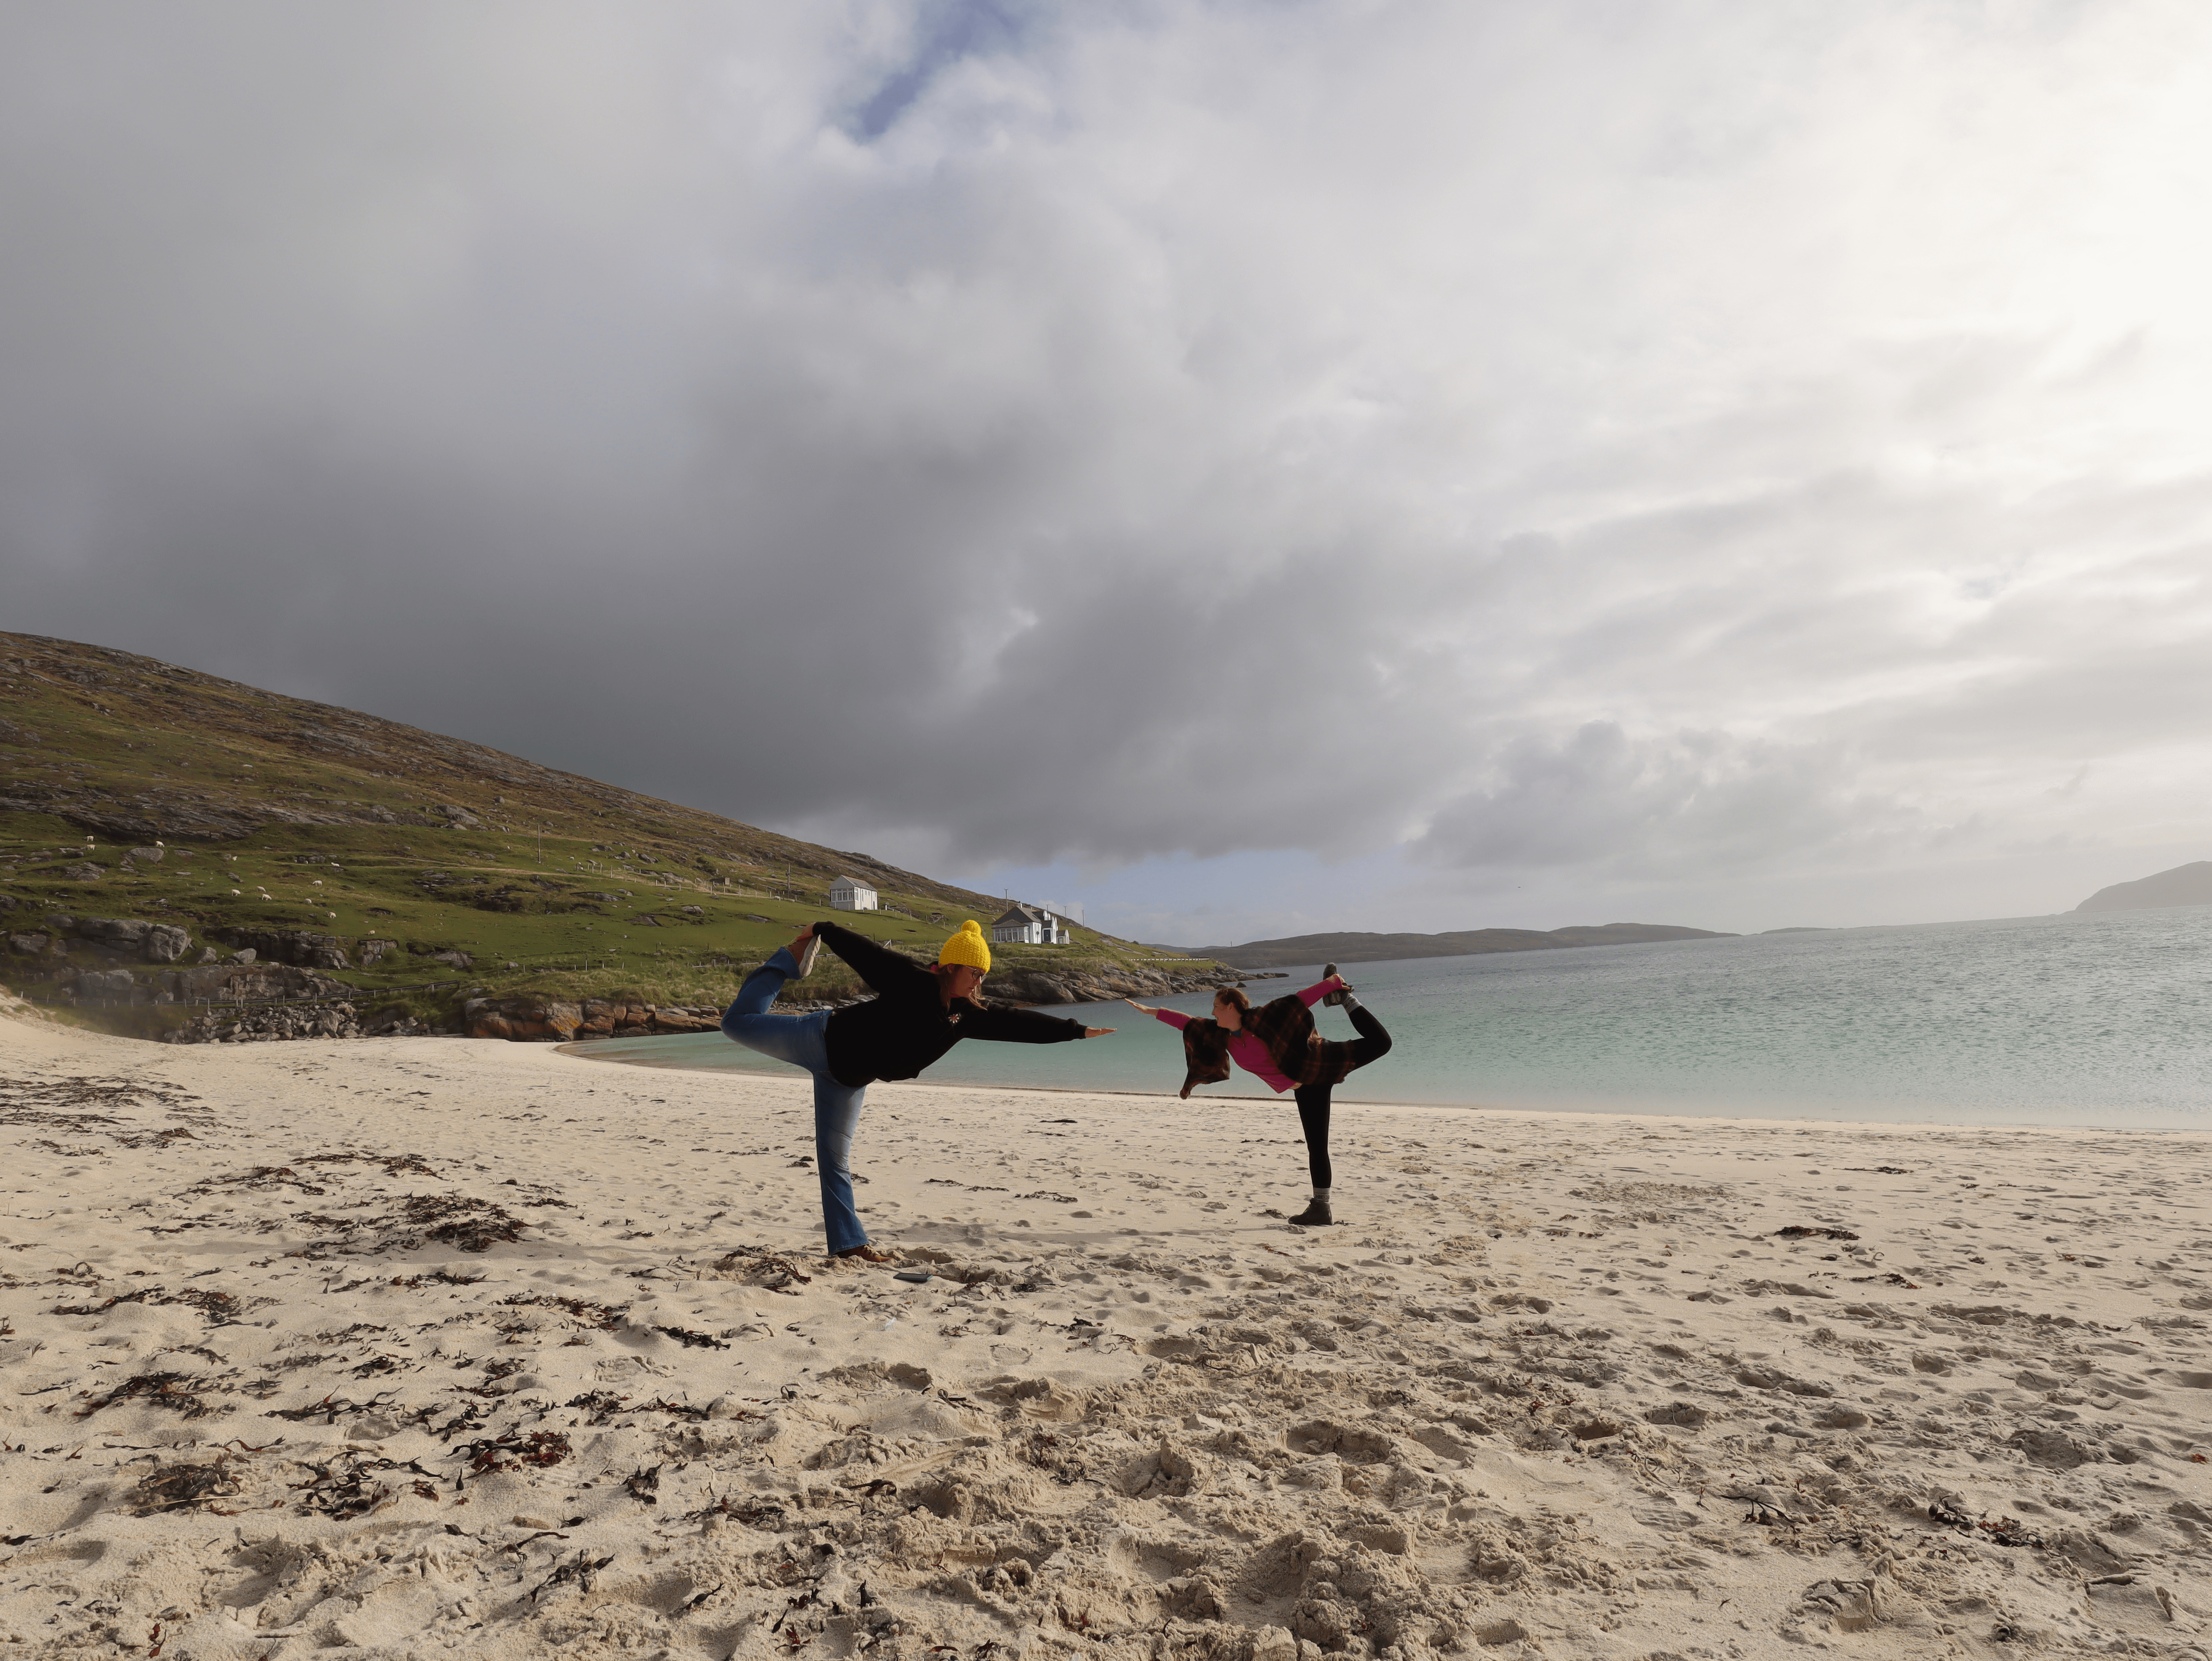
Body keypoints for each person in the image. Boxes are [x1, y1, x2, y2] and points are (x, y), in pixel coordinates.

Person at [722, 918, 1116, 1261]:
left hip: (846, 1080)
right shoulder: (912, 982)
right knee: (736, 1023)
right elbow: (868, 954)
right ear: (951, 967)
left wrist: (1076, 1031)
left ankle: (848, 1245)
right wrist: (821, 931)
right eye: (974, 972)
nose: (980, 981)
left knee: (834, 1161)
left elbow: (1020, 1025)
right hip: (820, 1039)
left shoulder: (968, 1016)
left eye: (983, 975)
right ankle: (787, 961)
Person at [1123, 972, 1391, 1227]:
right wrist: (1153, 1012)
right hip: (1306, 1086)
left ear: (1231, 1008)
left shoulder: (1264, 1017)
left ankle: (1346, 1000)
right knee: (1317, 1146)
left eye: (1217, 1006)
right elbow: (1189, 1023)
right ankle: (1322, 1209)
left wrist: (1332, 984)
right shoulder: (1223, 1035)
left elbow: (1297, 1001)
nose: (1213, 1012)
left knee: (1382, 1043)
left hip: (1321, 1061)